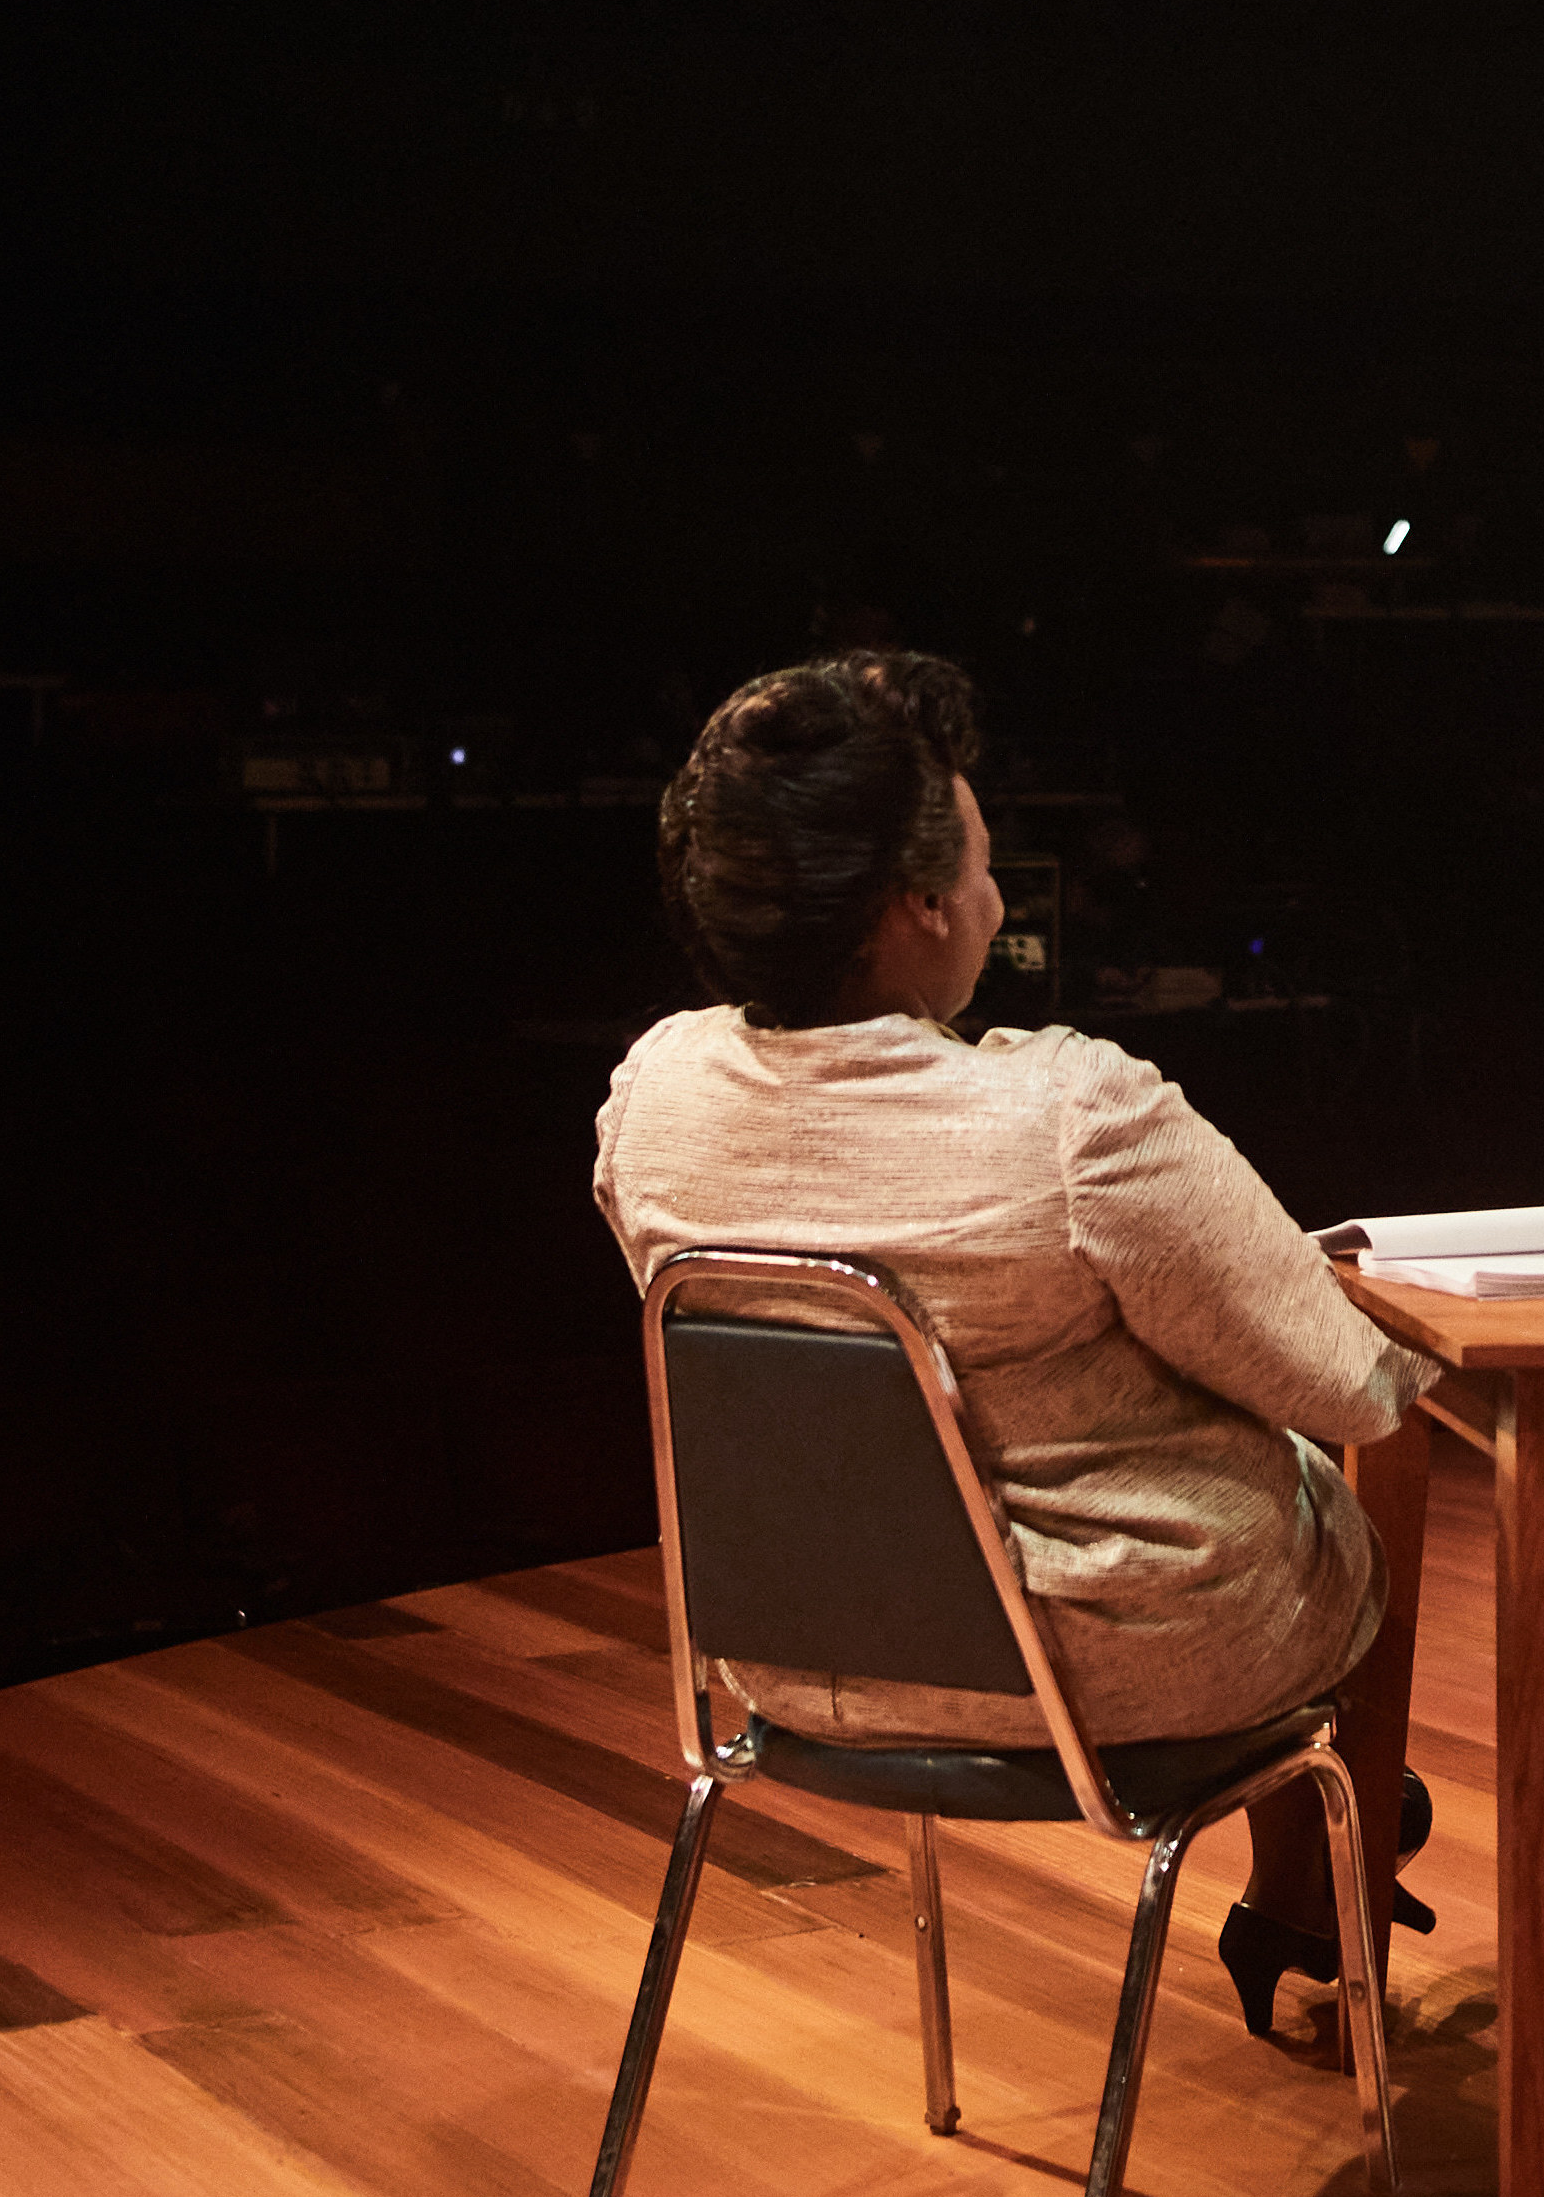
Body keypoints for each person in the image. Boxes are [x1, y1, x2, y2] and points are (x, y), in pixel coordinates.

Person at [591, 648, 1433, 2062]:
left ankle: (1312, 1868)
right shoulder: (1074, 1118)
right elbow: (1350, 1383)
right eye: (982, 864)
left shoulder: (654, 1096)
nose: (993, 894)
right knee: (1322, 1487)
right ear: (918, 908)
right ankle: (1307, 1883)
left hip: (790, 1665)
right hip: (1101, 1674)